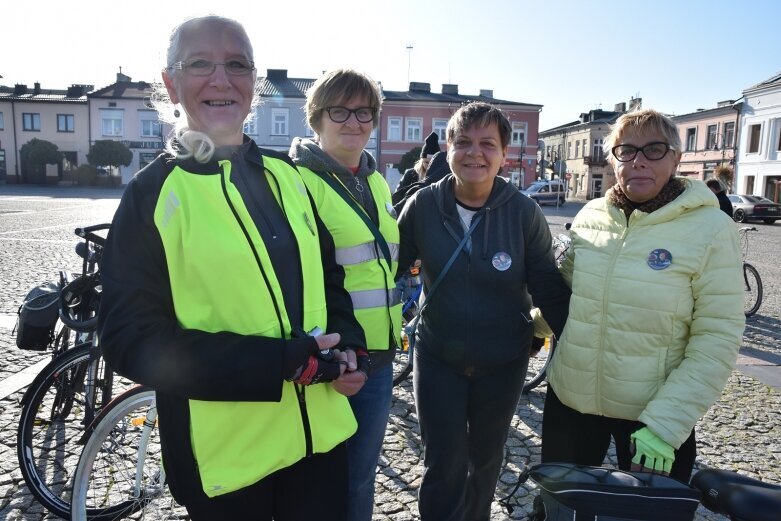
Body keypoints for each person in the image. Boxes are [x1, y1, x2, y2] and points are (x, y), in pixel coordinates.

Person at [98, 16, 366, 520]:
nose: (221, 79)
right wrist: (279, 362)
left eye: (237, 65)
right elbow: (130, 339)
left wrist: (349, 346)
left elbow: (330, 281)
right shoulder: (152, 195)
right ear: (171, 83)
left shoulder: (290, 179)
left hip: (319, 444)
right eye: (201, 63)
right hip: (227, 464)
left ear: (254, 83)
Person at [541, 109, 745, 485]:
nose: (638, 161)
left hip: (650, 414)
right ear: (613, 159)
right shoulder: (592, 215)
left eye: (654, 149)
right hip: (571, 402)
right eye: (626, 150)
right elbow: (569, 292)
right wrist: (526, 323)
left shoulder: (711, 228)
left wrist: (667, 425)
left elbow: (717, 337)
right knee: (560, 507)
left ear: (676, 159)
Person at [396, 101, 571, 521]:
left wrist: (574, 338)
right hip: (439, 356)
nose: (475, 152)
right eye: (464, 142)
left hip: (503, 359)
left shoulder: (524, 212)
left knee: (486, 458)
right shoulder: (423, 206)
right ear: (449, 148)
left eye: (487, 144)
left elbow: (546, 282)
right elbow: (390, 269)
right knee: (443, 459)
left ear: (503, 154)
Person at [289, 68, 401, 521]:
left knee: (361, 476)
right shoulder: (298, 182)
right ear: (316, 118)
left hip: (380, 355)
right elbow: (300, 279)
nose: (354, 122)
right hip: (336, 357)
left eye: (364, 113)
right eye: (340, 111)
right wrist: (330, 357)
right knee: (320, 477)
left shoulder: (374, 179)